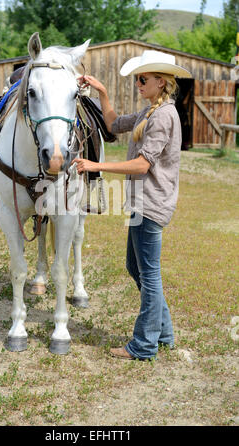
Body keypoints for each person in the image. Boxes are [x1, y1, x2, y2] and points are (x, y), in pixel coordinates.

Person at [73, 50, 192, 360]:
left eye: (143, 79)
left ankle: (143, 345)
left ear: (161, 82)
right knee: (136, 267)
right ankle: (163, 333)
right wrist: (102, 93)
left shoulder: (164, 115)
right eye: (137, 79)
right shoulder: (148, 112)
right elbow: (112, 124)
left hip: (151, 205)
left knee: (149, 274)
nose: (138, 83)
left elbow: (142, 166)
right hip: (143, 204)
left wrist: (95, 166)